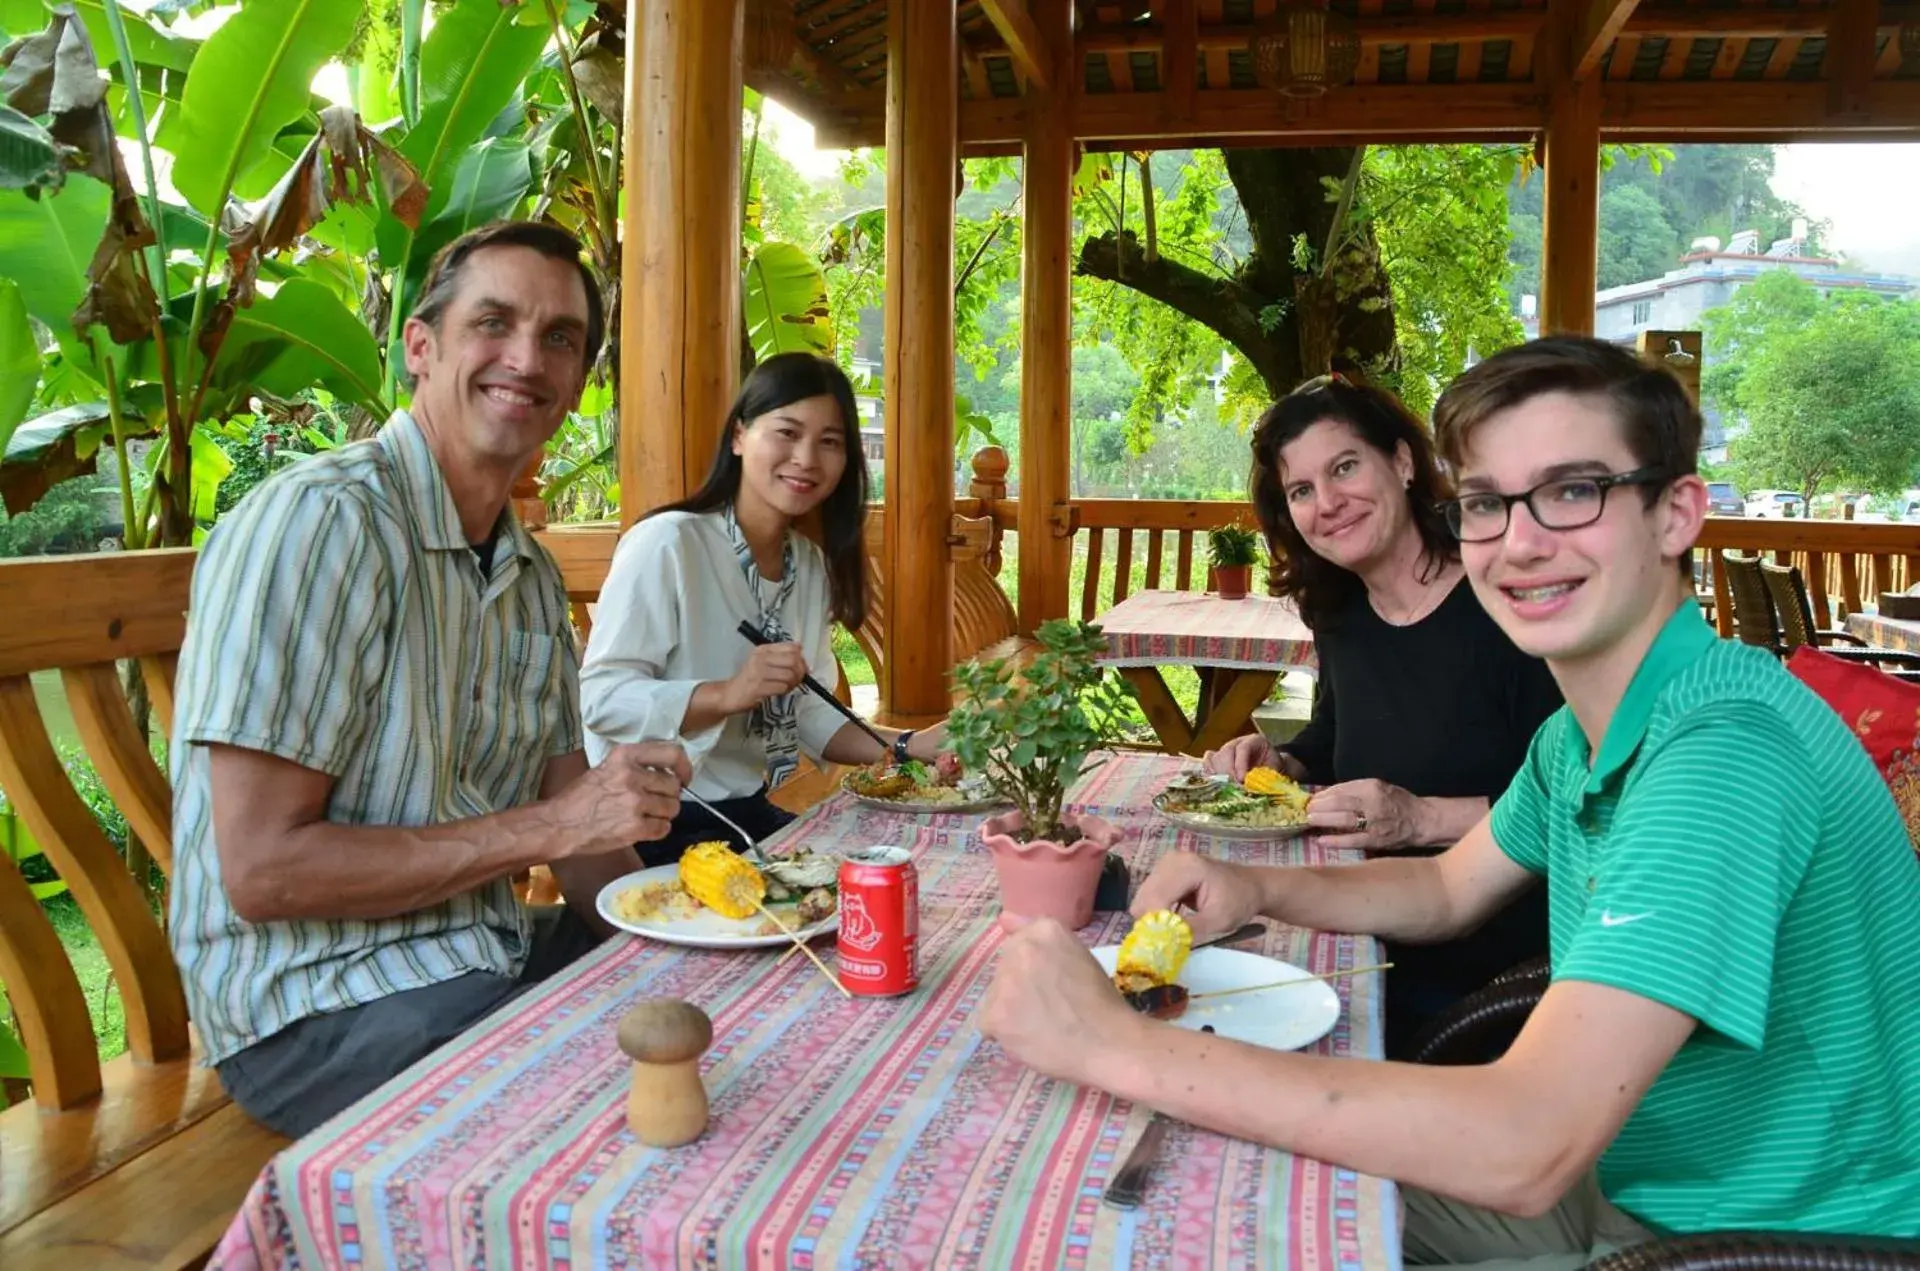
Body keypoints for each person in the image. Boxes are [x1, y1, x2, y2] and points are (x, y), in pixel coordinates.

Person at [979, 336, 1920, 1262]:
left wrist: (1107, 1044)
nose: (1520, 541)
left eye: (1572, 491)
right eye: (1486, 503)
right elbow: (1441, 893)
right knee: (1215, 1186)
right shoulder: (1584, 733)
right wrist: (1253, 887)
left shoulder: (1720, 755)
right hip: (1632, 1177)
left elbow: (1524, 1143)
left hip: (1755, 1235)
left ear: (1676, 514)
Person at [168, 222, 690, 1139]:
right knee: (610, 1118)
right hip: (313, 1008)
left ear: (577, 381)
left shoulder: (526, 576)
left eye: (560, 338)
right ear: (421, 344)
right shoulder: (323, 526)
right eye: (494, 322)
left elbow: (580, 838)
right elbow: (262, 872)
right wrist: (557, 822)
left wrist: (690, 933)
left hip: (477, 955)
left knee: (732, 1024)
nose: (526, 358)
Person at [1212, 376, 1561, 1054]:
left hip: (1493, 973)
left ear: (1402, 462)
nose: (1328, 503)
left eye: (1345, 467)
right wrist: (1278, 759)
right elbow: (1335, 736)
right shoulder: (1340, 611)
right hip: (1369, 921)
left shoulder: (1505, 601)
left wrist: (1422, 816)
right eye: (1301, 490)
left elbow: (1577, 806)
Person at [581, 352, 943, 863]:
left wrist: (912, 745)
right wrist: (728, 693)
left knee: (894, 872)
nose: (807, 459)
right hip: (647, 825)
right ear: (738, 436)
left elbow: (814, 714)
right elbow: (601, 699)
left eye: (830, 442)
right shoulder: (668, 544)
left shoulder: (808, 565)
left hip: (745, 813)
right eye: (787, 433)